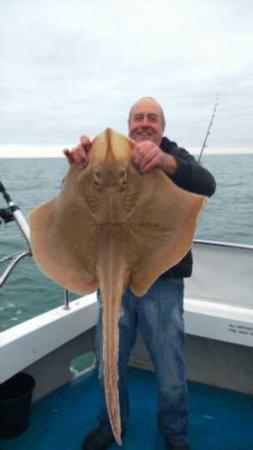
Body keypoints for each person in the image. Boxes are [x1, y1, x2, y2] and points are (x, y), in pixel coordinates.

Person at [64, 97, 216, 450]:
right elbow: (69, 205)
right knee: (109, 362)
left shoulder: (173, 155)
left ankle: (175, 435)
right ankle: (109, 423)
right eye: (138, 118)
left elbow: (206, 184)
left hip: (161, 279)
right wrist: (77, 170)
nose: (144, 123)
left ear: (162, 127)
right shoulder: (103, 159)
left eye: (152, 118)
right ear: (129, 124)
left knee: (170, 370)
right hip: (111, 277)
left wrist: (165, 162)